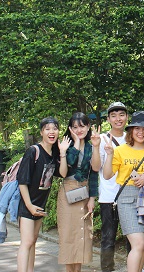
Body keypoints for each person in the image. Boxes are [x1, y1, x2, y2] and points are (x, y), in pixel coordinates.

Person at [103, 111, 144, 272]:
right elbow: (107, 175)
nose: (141, 132)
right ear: (131, 131)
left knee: (143, 244)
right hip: (127, 199)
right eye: (137, 128)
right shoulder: (120, 150)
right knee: (138, 243)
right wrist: (109, 155)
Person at [17, 117, 68, 272]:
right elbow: (22, 182)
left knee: (33, 241)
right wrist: (29, 206)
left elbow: (63, 173)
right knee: (26, 242)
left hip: (40, 204)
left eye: (55, 128)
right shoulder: (33, 151)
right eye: (47, 129)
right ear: (41, 132)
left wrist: (63, 153)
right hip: (28, 204)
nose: (51, 132)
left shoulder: (54, 153)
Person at [57, 112, 102, 272]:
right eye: (75, 127)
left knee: (82, 234)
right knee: (68, 234)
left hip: (84, 192)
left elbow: (95, 170)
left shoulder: (91, 146)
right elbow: (66, 167)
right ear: (70, 128)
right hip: (68, 192)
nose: (79, 130)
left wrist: (92, 198)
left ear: (88, 126)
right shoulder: (66, 145)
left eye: (82, 126)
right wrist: (76, 143)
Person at [98, 101, 129, 272]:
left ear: (127, 117)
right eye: (114, 115)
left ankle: (133, 267)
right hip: (109, 196)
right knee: (108, 237)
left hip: (129, 194)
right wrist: (96, 147)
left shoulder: (132, 137)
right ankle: (107, 268)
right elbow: (97, 167)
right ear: (108, 119)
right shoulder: (102, 139)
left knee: (132, 236)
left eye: (121, 115)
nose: (118, 119)